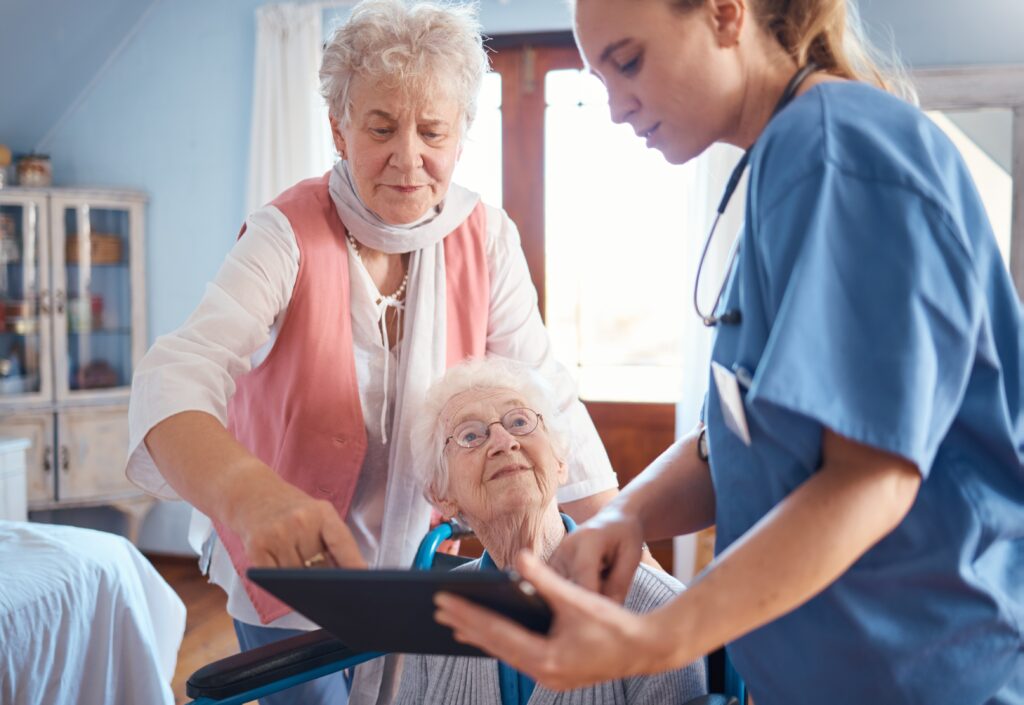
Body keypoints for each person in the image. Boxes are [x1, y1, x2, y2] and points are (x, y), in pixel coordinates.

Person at [433, 1, 1024, 704]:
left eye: (628, 63)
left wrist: (655, 638)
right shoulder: (785, 164)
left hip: (918, 675)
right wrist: (628, 514)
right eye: (601, 79)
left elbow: (871, 476)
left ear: (723, 14)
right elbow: (747, 438)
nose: (618, 107)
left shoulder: (840, 151)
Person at [125, 2, 622, 704]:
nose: (408, 158)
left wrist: (622, 548)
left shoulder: (486, 235)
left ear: (462, 135)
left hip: (422, 567)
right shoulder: (283, 234)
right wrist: (252, 498)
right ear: (339, 128)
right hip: (290, 568)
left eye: (433, 131)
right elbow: (172, 379)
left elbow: (544, 390)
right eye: (382, 128)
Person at [395, 357, 707, 705]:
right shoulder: (436, 615)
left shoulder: (655, 606)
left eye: (519, 422)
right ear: (443, 495)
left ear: (561, 464)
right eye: (471, 435)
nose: (503, 441)